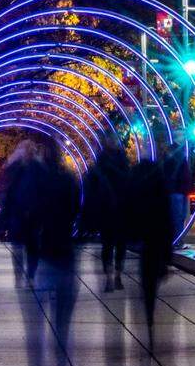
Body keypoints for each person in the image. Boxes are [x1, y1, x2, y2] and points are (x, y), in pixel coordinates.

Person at [34, 141, 81, 353]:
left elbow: (34, 214)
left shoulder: (41, 183)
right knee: (63, 311)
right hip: (65, 250)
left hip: (46, 250)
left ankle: (42, 350)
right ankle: (61, 348)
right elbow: (76, 209)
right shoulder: (68, 180)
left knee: (40, 308)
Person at [129, 158, 174, 349]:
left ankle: (148, 312)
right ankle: (150, 310)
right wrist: (168, 254)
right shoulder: (162, 192)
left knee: (146, 277)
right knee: (152, 277)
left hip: (146, 241)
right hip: (158, 240)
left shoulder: (137, 191)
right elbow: (168, 222)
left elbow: (130, 214)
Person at [82, 132, 131, 291]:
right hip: (111, 209)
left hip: (117, 208)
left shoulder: (107, 161)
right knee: (110, 244)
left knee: (115, 244)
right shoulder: (107, 160)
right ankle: (112, 276)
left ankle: (115, 275)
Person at [0, 139, 43, 282]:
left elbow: (5, 191)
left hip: (20, 213)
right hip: (28, 213)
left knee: (22, 246)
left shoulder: (14, 167)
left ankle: (23, 275)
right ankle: (29, 274)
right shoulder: (37, 168)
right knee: (30, 246)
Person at [161, 130, 192, 236]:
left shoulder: (177, 150)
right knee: (177, 216)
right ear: (177, 137)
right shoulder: (174, 151)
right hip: (176, 189)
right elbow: (173, 170)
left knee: (180, 216)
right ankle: (176, 240)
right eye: (183, 135)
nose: (184, 137)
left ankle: (177, 239)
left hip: (179, 188)